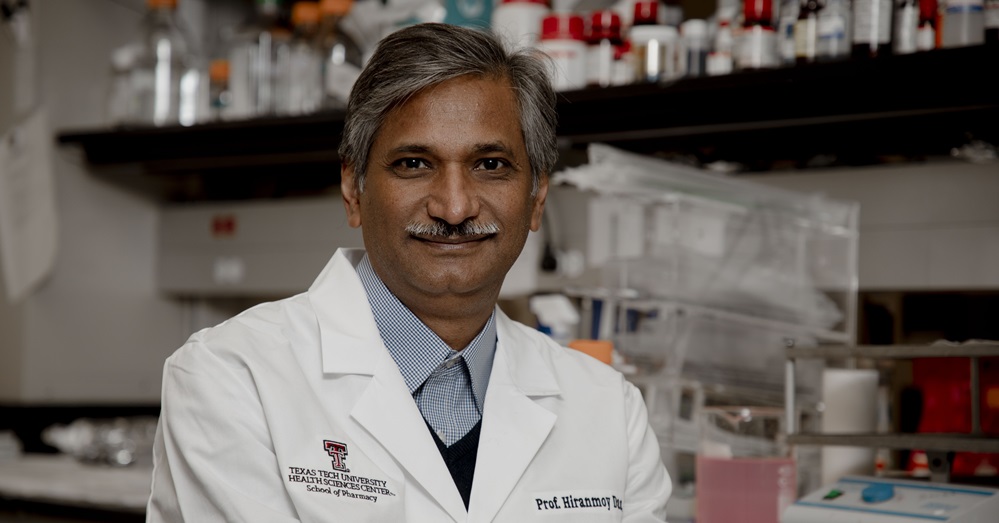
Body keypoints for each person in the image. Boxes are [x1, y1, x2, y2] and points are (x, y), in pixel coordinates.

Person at [147, 22, 671, 522]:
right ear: (354, 191)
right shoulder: (231, 379)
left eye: (491, 164)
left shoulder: (609, 411)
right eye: (414, 164)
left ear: (536, 198)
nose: (455, 206)